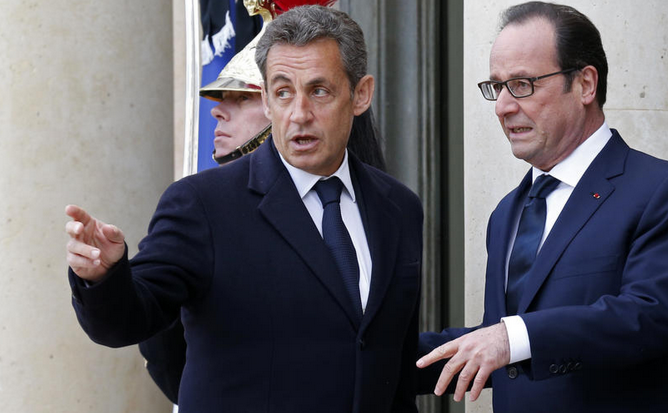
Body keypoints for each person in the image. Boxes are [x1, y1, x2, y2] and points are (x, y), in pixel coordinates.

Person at [65, 5, 421, 413]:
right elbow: (131, 321)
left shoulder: (399, 208)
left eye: (319, 91)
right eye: (283, 92)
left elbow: (389, 358)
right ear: (267, 101)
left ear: (361, 95)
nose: (299, 114)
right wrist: (105, 277)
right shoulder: (201, 204)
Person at [416, 2, 668, 412]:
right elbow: (502, 341)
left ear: (585, 84)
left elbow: (650, 317)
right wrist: (373, 359)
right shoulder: (506, 213)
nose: (503, 106)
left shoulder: (663, 191)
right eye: (497, 87)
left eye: (522, 84)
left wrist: (510, 338)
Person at [137, 8, 387, 402]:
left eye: (241, 97)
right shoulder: (199, 204)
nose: (217, 110)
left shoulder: (390, 207)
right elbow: (159, 343)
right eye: (282, 91)